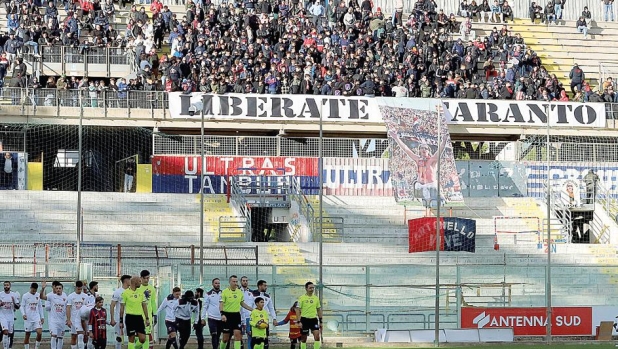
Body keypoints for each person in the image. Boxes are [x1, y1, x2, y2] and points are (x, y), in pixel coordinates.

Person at [388, 130, 448, 207]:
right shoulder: (418, 159)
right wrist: (396, 138)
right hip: (422, 186)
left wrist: (444, 141)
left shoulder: (432, 160)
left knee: (435, 205)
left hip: (431, 185)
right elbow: (406, 149)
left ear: (428, 151)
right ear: (419, 150)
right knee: (426, 205)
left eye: (425, 148)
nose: (424, 149)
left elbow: (440, 150)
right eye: (422, 148)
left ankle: (441, 198)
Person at [219, 276, 253, 349]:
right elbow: (221, 304)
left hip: (236, 316)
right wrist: (222, 314)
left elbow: (242, 303)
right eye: (233, 281)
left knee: (237, 336)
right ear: (230, 282)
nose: (235, 283)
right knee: (225, 339)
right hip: (227, 316)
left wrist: (252, 309)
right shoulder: (225, 292)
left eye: (236, 282)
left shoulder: (239, 292)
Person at [119, 276, 150, 349]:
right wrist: (121, 320)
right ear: (135, 282)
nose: (141, 283)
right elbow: (122, 307)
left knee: (142, 339)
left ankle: (135, 348)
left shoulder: (141, 292)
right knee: (131, 338)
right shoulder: (125, 293)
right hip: (130, 317)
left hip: (139, 318)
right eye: (139, 281)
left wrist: (147, 318)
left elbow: (144, 306)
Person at [40, 281, 67, 349]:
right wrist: (43, 289)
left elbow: (68, 307)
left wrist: (68, 319)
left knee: (60, 337)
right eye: (57, 288)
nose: (58, 289)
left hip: (62, 320)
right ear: (55, 289)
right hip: (53, 320)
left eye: (59, 288)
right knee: (54, 335)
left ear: (62, 289)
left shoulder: (65, 296)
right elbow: (42, 297)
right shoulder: (51, 296)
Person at [251, 281, 277, 349]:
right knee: (253, 339)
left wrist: (274, 318)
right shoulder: (252, 294)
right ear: (259, 286)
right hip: (255, 320)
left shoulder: (267, 296)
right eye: (264, 285)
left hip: (264, 320)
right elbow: (249, 306)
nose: (266, 287)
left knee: (265, 338)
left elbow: (271, 308)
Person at [296, 282, 322, 349]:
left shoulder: (316, 298)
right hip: (304, 320)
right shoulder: (302, 298)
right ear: (306, 288)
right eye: (310, 288)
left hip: (313, 320)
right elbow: (298, 310)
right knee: (304, 339)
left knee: (317, 336)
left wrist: (321, 321)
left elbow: (319, 309)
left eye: (313, 288)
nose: (312, 289)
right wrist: (299, 321)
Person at [137, 270, 157, 349]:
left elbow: (153, 302)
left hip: (148, 316)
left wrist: (155, 314)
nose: (146, 280)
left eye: (148, 278)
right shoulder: (137, 288)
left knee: (147, 334)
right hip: (138, 315)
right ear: (141, 278)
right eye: (145, 278)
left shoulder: (151, 288)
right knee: (138, 335)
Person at [110, 275, 132, 349]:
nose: (131, 281)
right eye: (130, 280)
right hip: (119, 318)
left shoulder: (131, 291)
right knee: (119, 337)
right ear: (126, 281)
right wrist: (112, 319)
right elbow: (112, 305)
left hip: (130, 317)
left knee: (131, 336)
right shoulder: (118, 292)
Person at [200, 279, 222, 349]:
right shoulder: (208, 294)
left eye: (218, 283)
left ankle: (217, 346)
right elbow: (205, 306)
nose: (217, 284)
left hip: (221, 318)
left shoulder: (223, 293)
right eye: (216, 283)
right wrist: (202, 318)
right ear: (212, 284)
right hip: (212, 318)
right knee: (214, 334)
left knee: (218, 335)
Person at [21, 283, 44, 349]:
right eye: (33, 289)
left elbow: (40, 306)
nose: (34, 291)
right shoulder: (25, 296)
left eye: (35, 290)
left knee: (39, 332)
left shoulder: (38, 295)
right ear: (30, 288)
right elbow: (22, 306)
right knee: (27, 334)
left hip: (36, 317)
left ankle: (36, 347)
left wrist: (42, 317)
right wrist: (23, 314)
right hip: (28, 318)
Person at [66, 281, 88, 349]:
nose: (79, 289)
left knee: (83, 336)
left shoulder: (85, 296)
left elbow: (87, 307)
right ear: (75, 287)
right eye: (78, 287)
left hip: (83, 319)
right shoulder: (71, 296)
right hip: (74, 319)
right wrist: (68, 320)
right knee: (74, 336)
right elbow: (68, 308)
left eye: (80, 287)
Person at [0, 281, 20, 349]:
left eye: (7, 285)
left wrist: (14, 303)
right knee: (5, 332)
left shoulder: (13, 295)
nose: (6, 286)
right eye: (5, 285)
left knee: (9, 333)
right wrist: (0, 304)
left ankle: (8, 347)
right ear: (3, 286)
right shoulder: (0, 294)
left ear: (10, 286)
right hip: (3, 315)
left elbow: (18, 307)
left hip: (11, 316)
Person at [239, 277, 253, 349]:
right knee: (239, 335)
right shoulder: (237, 291)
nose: (245, 282)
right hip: (239, 316)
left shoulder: (251, 292)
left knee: (250, 334)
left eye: (246, 281)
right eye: (243, 281)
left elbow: (253, 304)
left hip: (249, 317)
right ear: (241, 282)